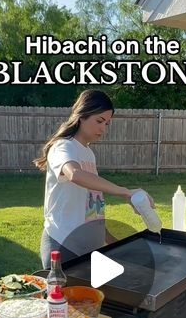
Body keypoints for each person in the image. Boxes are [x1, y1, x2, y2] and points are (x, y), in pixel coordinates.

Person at [34, 90, 154, 269]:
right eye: (99, 121)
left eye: (107, 123)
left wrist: (112, 242)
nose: (103, 129)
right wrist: (125, 192)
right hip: (64, 247)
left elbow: (92, 206)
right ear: (82, 116)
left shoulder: (88, 153)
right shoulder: (63, 147)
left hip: (88, 250)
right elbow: (75, 174)